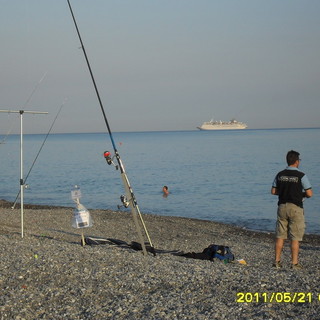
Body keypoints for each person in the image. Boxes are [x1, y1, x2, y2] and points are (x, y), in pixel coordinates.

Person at [271, 150, 313, 270]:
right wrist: (301, 194)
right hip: (295, 208)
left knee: (280, 235)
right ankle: (294, 263)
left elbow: (273, 191)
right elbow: (310, 193)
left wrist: (285, 192)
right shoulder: (301, 175)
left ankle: (277, 261)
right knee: (295, 236)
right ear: (296, 161)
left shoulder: (280, 174)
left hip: (282, 206)